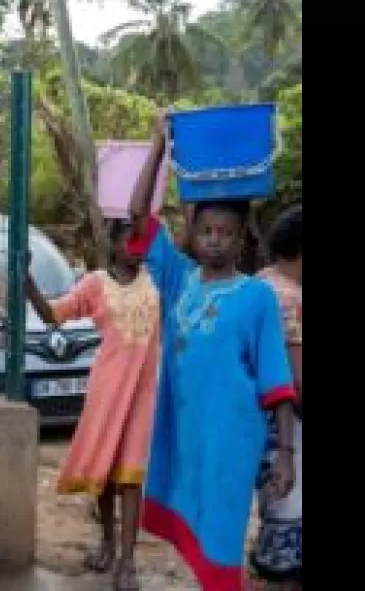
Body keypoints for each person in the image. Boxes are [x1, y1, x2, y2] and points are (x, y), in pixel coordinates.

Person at [126, 114, 298, 591]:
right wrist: (159, 143)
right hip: (184, 434)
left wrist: (285, 454)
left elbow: (276, 381)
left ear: (241, 238)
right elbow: (138, 215)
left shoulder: (256, 296)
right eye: (207, 231)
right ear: (194, 235)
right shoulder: (177, 278)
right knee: (194, 538)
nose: (215, 240)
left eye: (226, 232)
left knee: (221, 543)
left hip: (230, 438)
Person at [25, 218, 160, 591]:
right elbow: (53, 315)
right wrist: (27, 282)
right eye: (129, 241)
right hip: (106, 390)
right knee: (104, 470)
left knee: (131, 476)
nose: (137, 249)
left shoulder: (158, 282)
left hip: (143, 393)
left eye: (142, 242)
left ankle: (128, 562)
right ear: (113, 244)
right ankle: (108, 544)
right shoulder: (95, 284)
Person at [251, 205, 302, 590]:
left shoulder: (259, 284)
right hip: (288, 422)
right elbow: (297, 375)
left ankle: (271, 564)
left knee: (273, 503)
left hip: (255, 421)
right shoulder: (292, 299)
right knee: (290, 504)